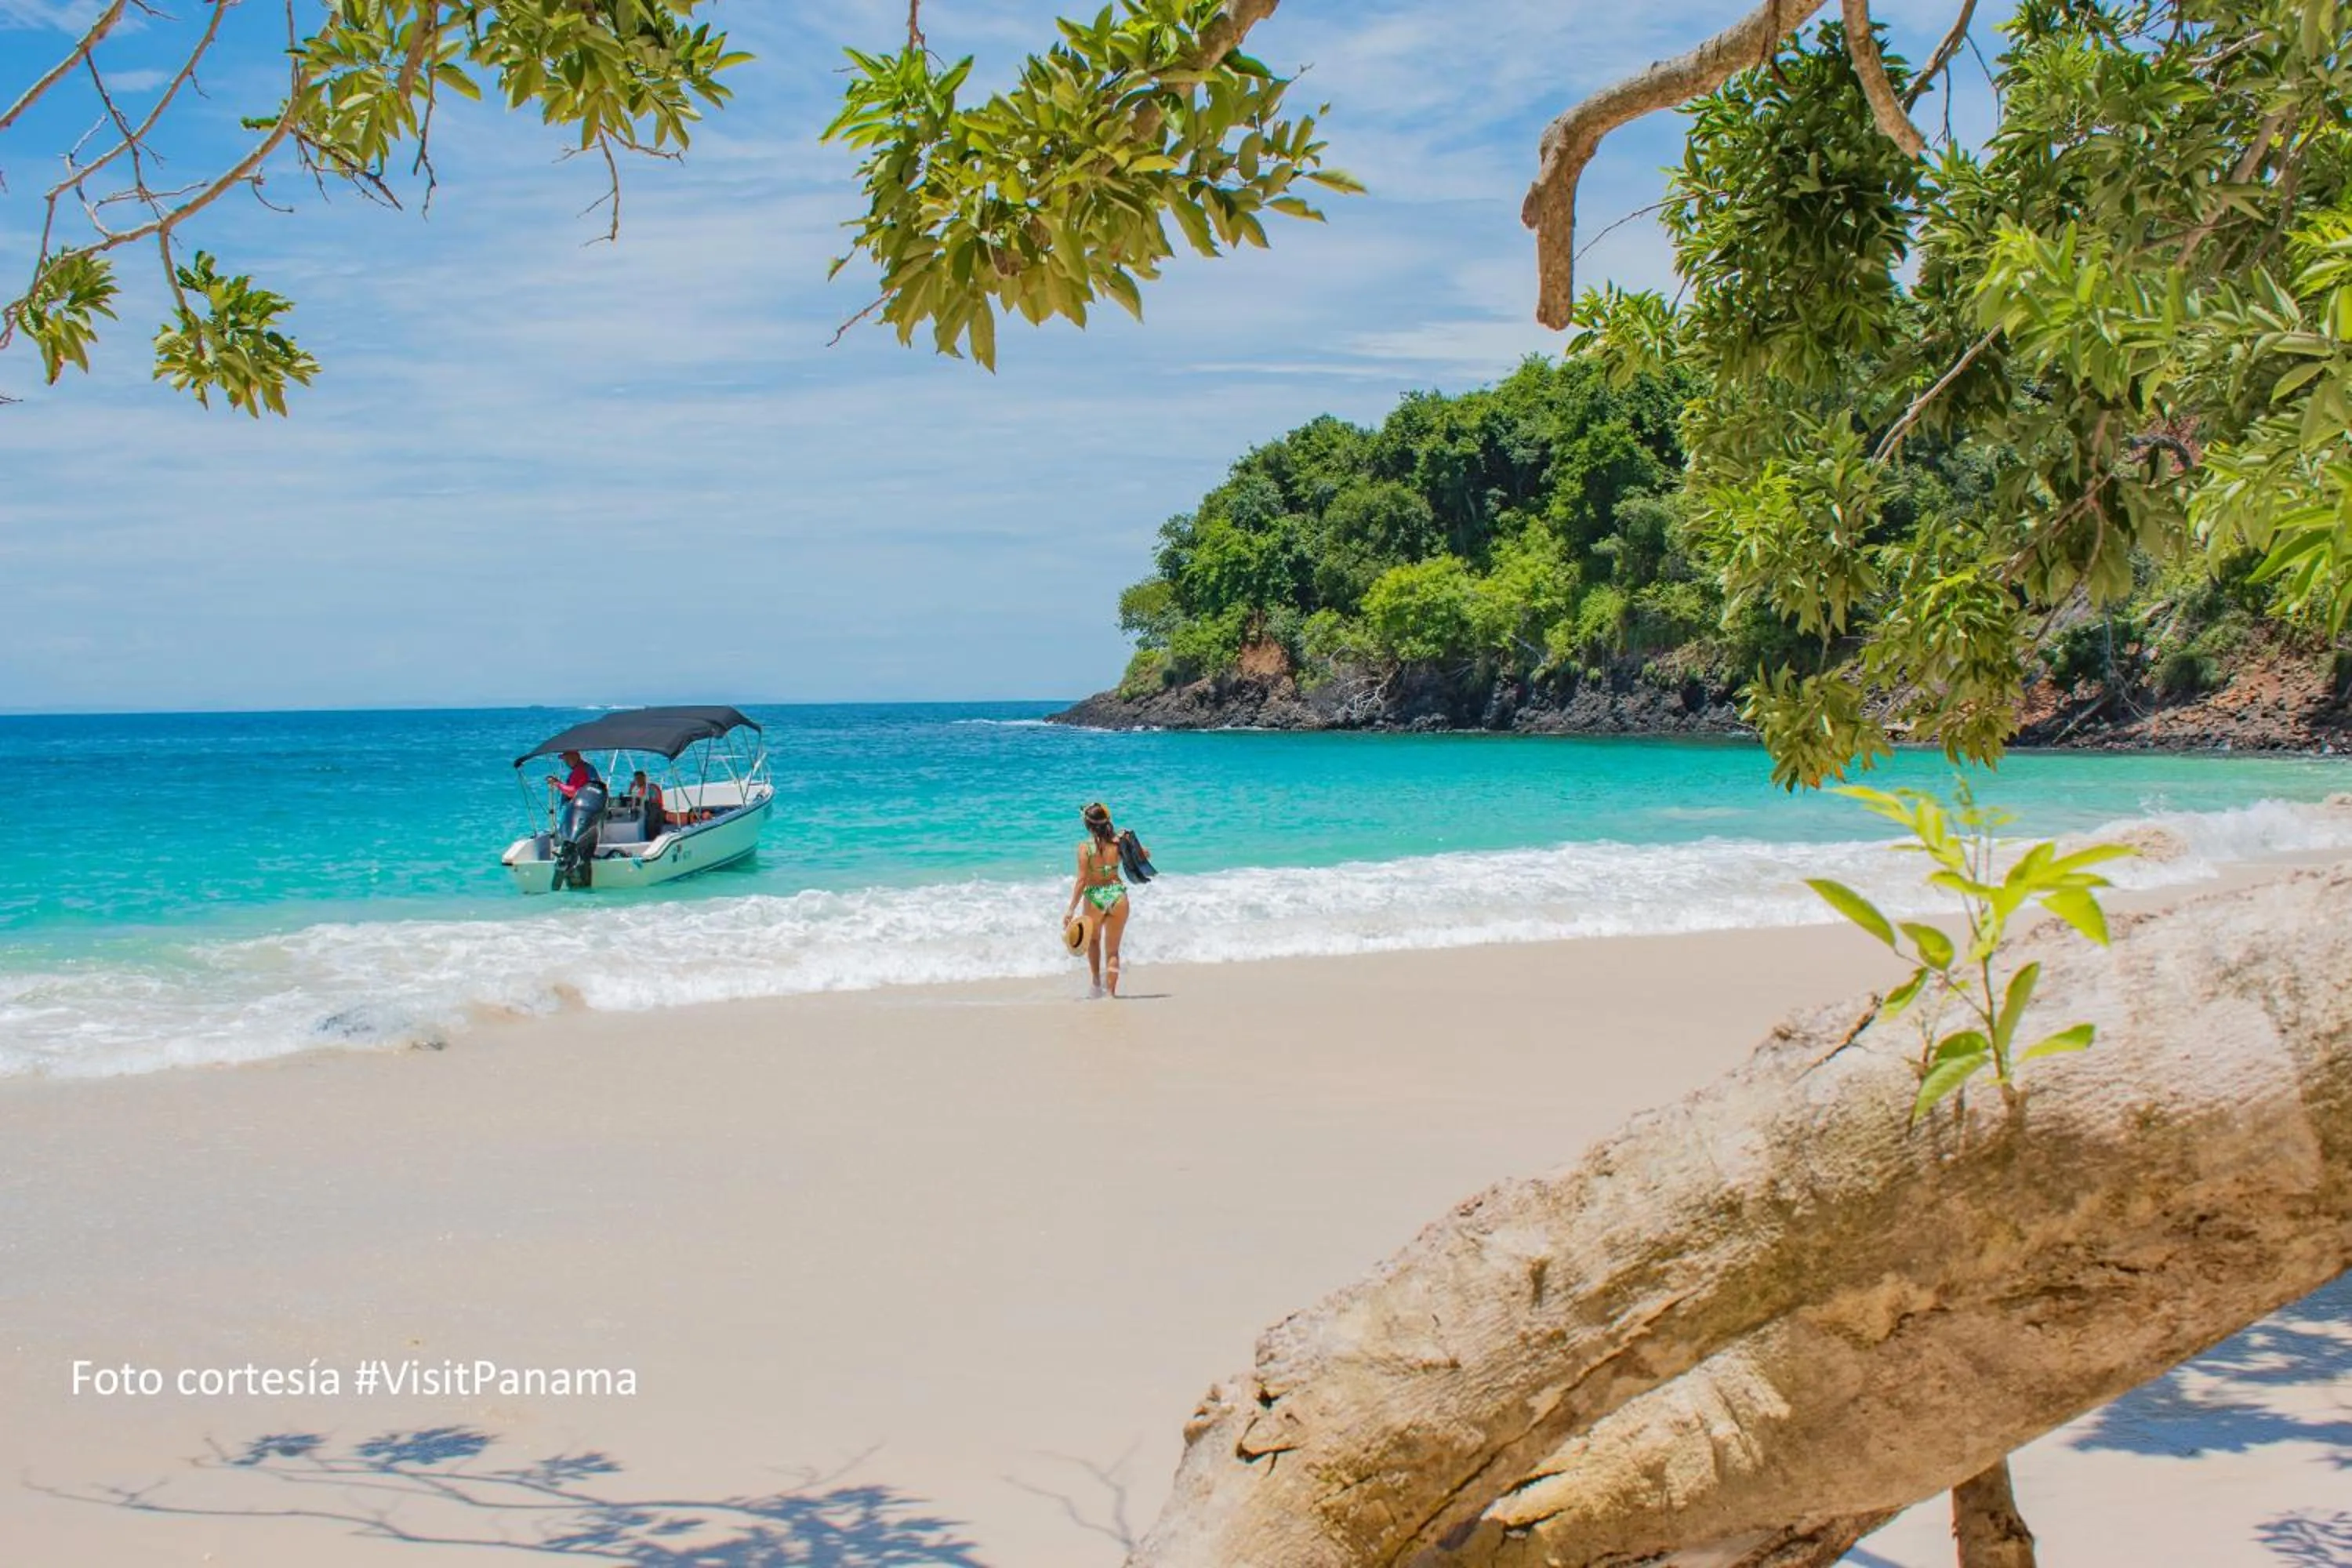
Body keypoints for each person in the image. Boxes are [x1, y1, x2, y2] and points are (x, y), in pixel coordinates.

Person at [1064, 800, 1140, 998]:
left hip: (1094, 898)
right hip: (1118, 896)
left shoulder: (1084, 848)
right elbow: (1143, 855)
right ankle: (1111, 995)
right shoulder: (1118, 843)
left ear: (1088, 825)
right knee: (1113, 950)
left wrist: (1071, 910)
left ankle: (1097, 984)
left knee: (1094, 941)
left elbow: (1081, 881)